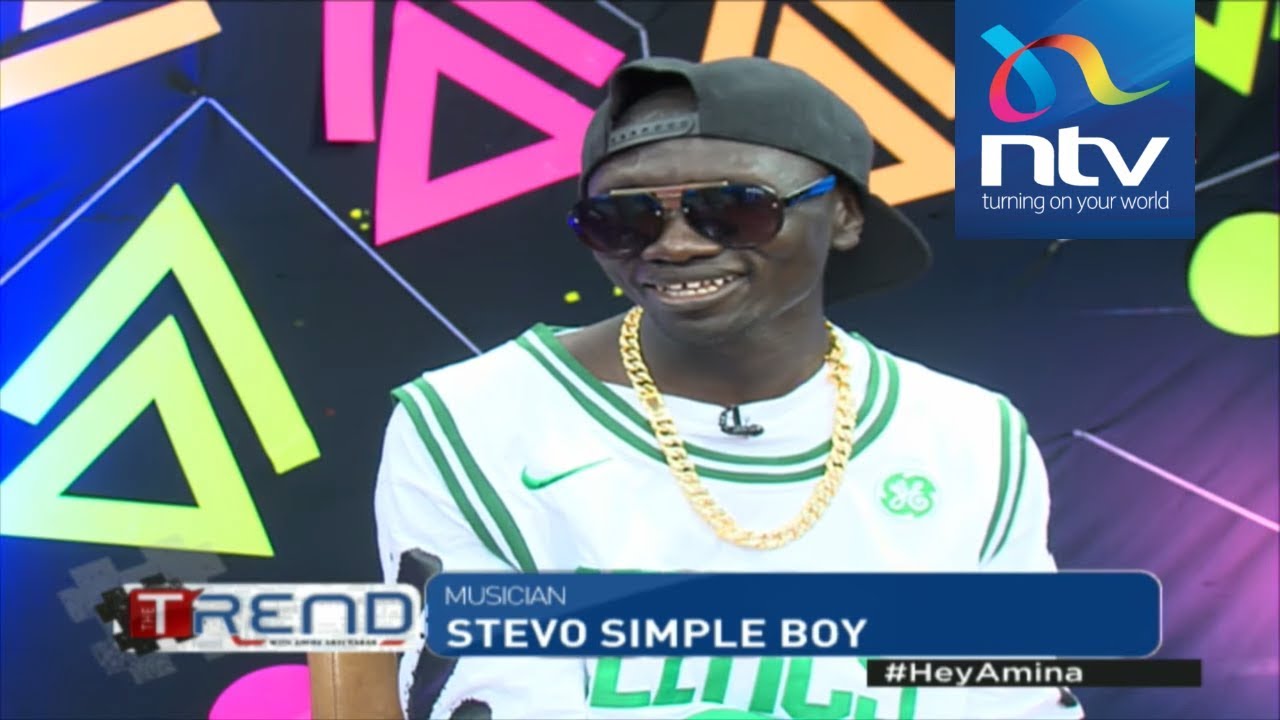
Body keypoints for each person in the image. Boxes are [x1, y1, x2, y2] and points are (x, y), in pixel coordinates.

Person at [374, 56, 1083, 720]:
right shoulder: (470, 423)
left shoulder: (971, 434)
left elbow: (1010, 697)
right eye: (625, 219)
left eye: (735, 209)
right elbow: (497, 697)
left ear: (844, 214)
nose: (675, 245)